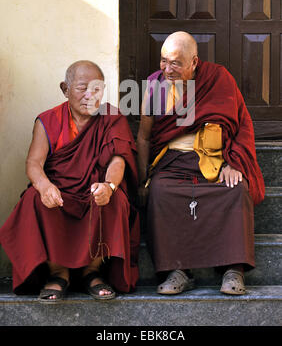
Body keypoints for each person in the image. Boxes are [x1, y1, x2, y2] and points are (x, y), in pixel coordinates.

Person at [137, 31, 265, 295]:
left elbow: (242, 125)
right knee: (160, 191)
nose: (167, 69)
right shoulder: (154, 86)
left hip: (214, 160)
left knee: (236, 189)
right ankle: (177, 270)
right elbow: (144, 136)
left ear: (194, 62)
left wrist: (235, 163)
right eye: (163, 61)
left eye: (175, 63)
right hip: (171, 162)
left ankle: (233, 269)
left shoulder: (218, 79)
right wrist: (142, 180)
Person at [0, 60, 139, 302]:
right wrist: (44, 187)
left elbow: (118, 160)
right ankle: (58, 273)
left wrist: (109, 186)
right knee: (35, 198)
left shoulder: (112, 117)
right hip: (61, 194)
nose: (90, 96)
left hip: (94, 192)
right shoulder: (48, 120)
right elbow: (34, 163)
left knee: (114, 199)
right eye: (82, 88)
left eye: (96, 89)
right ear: (65, 89)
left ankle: (92, 271)